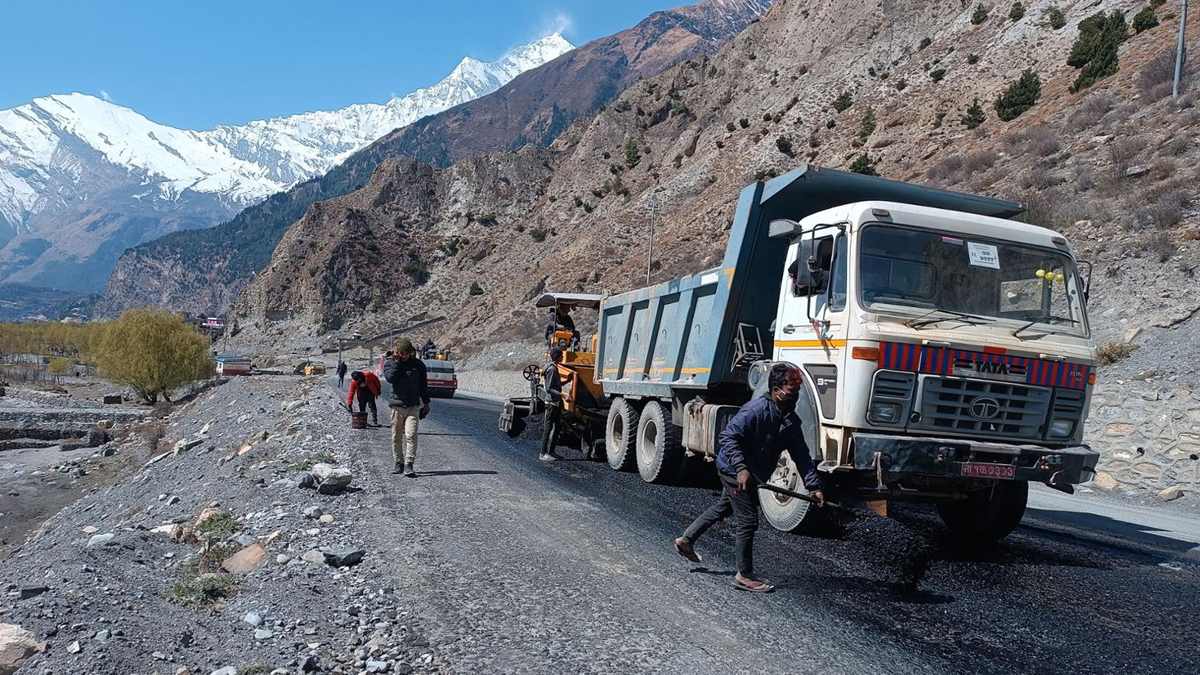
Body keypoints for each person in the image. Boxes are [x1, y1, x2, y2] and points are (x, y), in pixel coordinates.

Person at [673, 363, 825, 593]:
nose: (792, 398)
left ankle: (687, 540)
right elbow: (728, 437)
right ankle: (744, 575)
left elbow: (802, 455)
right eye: (788, 393)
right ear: (775, 389)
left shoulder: (790, 421)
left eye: (796, 394)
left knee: (724, 507)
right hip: (734, 470)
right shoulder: (755, 411)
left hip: (751, 472)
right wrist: (741, 468)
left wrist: (814, 486)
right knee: (748, 520)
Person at [383, 338, 430, 477]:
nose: (404, 356)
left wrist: (426, 403)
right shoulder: (391, 363)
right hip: (396, 406)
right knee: (396, 436)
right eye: (402, 353)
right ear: (397, 352)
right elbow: (390, 378)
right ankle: (399, 463)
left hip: (413, 406)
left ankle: (409, 464)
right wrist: (397, 362)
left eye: (406, 353)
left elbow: (423, 385)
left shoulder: (418, 365)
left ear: (411, 352)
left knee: (411, 435)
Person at [538, 347, 573, 462]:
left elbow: (555, 384)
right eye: (561, 356)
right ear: (557, 357)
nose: (563, 357)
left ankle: (552, 451)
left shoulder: (552, 367)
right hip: (551, 403)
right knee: (548, 428)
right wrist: (563, 395)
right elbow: (549, 388)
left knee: (557, 427)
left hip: (556, 403)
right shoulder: (552, 369)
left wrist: (567, 381)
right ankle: (543, 453)